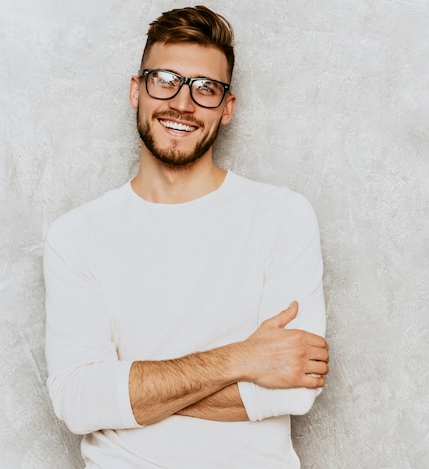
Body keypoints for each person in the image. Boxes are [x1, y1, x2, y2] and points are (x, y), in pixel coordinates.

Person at [43, 5, 329, 468]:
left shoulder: (282, 216)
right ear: (136, 91)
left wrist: (121, 394)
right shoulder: (77, 236)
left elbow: (294, 391)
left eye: (206, 88)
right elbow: (77, 402)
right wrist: (241, 358)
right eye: (164, 80)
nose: (182, 103)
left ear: (228, 107)